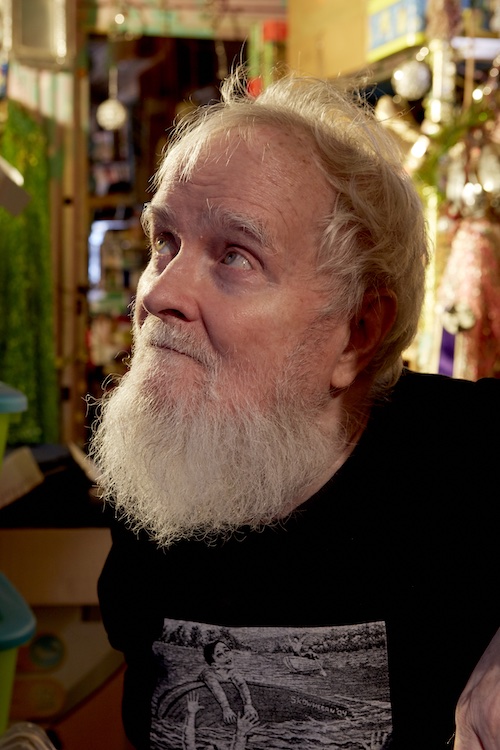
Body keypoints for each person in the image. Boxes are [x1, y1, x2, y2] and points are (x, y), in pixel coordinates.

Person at [91, 67, 500, 750]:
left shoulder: (463, 455)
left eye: (234, 255)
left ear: (356, 333)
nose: (160, 294)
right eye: (165, 242)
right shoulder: (165, 467)